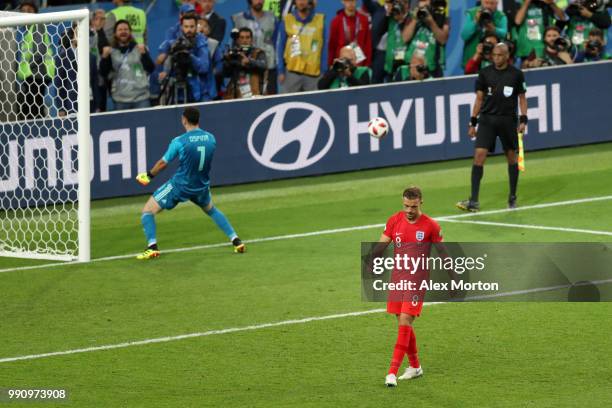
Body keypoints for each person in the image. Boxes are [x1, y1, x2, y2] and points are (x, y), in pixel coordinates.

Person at [135, 107, 245, 260]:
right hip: (201, 186)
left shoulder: (179, 141)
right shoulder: (211, 138)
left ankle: (152, 247)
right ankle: (236, 240)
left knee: (147, 211)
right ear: (198, 120)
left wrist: (148, 176)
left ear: (184, 120)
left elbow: (162, 163)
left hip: (180, 186)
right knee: (211, 210)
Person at [369, 186, 443, 387]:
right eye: (406, 206)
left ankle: (391, 372)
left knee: (404, 320)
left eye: (413, 206)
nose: (409, 210)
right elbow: (383, 242)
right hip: (397, 279)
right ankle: (415, 367)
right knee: (404, 324)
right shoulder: (394, 220)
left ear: (421, 202)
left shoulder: (431, 226)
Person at [457, 43, 528, 212]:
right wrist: (473, 122)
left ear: (507, 56)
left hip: (508, 121)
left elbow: (522, 98)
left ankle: (512, 197)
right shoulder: (485, 73)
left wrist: (523, 119)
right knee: (479, 156)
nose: (496, 58)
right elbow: (479, 99)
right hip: (487, 120)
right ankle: (473, 201)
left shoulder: (516, 74)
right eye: (494, 55)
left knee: (512, 157)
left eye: (500, 55)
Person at [100, 20, 155, 111]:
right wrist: (104, 58)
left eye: (126, 29)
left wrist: (144, 54)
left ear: (130, 32)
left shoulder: (139, 49)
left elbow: (151, 69)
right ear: (115, 33)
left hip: (141, 98)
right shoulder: (111, 52)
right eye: (120, 29)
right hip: (120, 100)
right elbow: (104, 73)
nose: (123, 32)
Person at [16, 0, 55, 120]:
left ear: (35, 12)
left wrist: (29, 69)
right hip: (33, 75)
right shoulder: (28, 31)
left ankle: (38, 134)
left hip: (36, 75)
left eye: (29, 10)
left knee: (34, 109)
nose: (26, 13)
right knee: (33, 108)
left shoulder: (37, 25)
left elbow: (39, 51)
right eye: (23, 11)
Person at [158, 14, 211, 104]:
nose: (189, 30)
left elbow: (204, 67)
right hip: (176, 93)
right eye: (186, 27)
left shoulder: (201, 42)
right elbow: (159, 61)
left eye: (191, 26)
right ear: (181, 27)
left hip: (196, 92)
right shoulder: (173, 42)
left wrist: (189, 56)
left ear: (196, 26)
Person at [277, 0, 326, 93]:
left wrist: (323, 71)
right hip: (291, 73)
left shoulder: (319, 20)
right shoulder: (287, 20)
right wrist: (281, 71)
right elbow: (280, 47)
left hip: (313, 75)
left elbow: (324, 48)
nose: (301, 2)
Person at [232, 0, 280, 95]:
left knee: (270, 100)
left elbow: (277, 42)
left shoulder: (272, 18)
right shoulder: (239, 19)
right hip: (246, 68)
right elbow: (234, 44)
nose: (259, 1)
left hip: (269, 66)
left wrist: (279, 66)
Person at [399, 0, 450, 78]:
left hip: (432, 68)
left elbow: (443, 40)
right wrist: (415, 19)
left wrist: (431, 21)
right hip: (411, 66)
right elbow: (405, 38)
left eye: (426, 5)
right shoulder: (412, 16)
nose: (423, 7)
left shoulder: (442, 18)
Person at [461, 0, 508, 69]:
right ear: (481, 2)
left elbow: (504, 34)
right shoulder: (472, 13)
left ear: (497, 3)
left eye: (492, 3)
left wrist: (494, 29)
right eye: (486, 3)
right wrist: (475, 21)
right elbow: (464, 35)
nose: (488, 6)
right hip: (473, 60)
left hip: (493, 62)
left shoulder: (501, 16)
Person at [223, 27, 267, 99]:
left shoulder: (258, 52)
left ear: (251, 39)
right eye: (242, 37)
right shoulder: (233, 54)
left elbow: (263, 66)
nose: (245, 40)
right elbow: (225, 73)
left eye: (247, 37)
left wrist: (249, 62)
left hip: (255, 94)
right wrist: (229, 60)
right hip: (236, 95)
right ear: (237, 40)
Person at [327, 0, 372, 68]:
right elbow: (332, 46)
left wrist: (367, 65)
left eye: (353, 0)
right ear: (342, 1)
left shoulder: (363, 20)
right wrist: (331, 64)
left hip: (359, 64)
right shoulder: (336, 21)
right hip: (341, 64)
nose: (351, 3)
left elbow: (367, 44)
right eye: (348, 0)